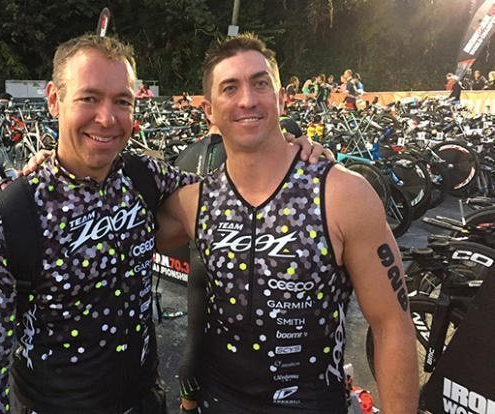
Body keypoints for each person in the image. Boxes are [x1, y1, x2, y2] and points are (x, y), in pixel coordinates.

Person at [0, 33, 326, 414]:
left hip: (147, 402)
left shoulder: (143, 176)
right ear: (54, 100)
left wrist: (288, 150)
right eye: (89, 98)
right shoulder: (9, 220)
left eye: (122, 101)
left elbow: (231, 194)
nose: (107, 118)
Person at [155, 33, 418, 413]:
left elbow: (392, 325)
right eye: (230, 88)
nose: (247, 99)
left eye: (260, 83)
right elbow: (115, 221)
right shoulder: (195, 201)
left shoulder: (342, 194)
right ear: (209, 110)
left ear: (281, 99)